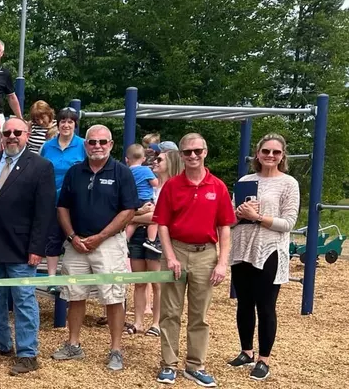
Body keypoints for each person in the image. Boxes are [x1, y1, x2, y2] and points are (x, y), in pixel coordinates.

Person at [0, 117, 55, 376]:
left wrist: (37, 248)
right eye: (7, 132)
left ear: (27, 135)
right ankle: (1, 342)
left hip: (21, 248)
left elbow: (44, 213)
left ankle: (28, 353)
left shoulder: (41, 166)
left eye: (17, 132)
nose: (12, 136)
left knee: (23, 300)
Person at [53, 125, 139, 371]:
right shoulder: (74, 172)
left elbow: (129, 211)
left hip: (109, 244)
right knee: (74, 294)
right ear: (85, 145)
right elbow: (62, 207)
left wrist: (101, 236)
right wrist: (71, 236)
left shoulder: (122, 173)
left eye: (103, 142)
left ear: (111, 145)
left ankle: (115, 350)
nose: (97, 146)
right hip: (76, 243)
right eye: (92, 142)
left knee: (113, 296)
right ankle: (73, 344)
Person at [153, 133, 235, 387]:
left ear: (205, 152)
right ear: (181, 155)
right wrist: (169, 256)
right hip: (176, 249)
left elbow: (224, 227)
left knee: (200, 314)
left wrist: (222, 262)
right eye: (187, 152)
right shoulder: (172, 186)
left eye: (197, 151)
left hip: (206, 253)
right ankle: (168, 364)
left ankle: (195, 365)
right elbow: (163, 224)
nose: (192, 156)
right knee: (170, 312)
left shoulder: (217, 186)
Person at [228, 133, 299, 382]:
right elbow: (230, 219)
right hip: (241, 248)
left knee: (266, 306)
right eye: (266, 151)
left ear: (282, 156)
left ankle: (264, 359)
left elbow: (289, 222)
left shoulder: (289, 183)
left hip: (269, 250)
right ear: (257, 154)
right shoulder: (245, 180)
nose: (270, 156)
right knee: (244, 303)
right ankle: (246, 351)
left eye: (276, 152)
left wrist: (258, 217)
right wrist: (240, 213)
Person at [127, 145, 182, 338]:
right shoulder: (150, 185)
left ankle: (157, 322)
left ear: (171, 164)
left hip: (159, 237)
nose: (155, 162)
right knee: (139, 281)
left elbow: (162, 218)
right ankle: (138, 321)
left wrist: (133, 218)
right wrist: (138, 215)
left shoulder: (175, 187)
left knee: (157, 282)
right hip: (138, 236)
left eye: (160, 160)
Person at [38, 106, 84, 276]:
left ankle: (75, 274)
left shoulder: (83, 145)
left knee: (76, 236)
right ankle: (51, 277)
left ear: (75, 124)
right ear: (57, 124)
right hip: (52, 200)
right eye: (63, 121)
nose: (66, 125)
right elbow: (39, 171)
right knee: (53, 237)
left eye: (70, 121)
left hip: (76, 201)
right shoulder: (47, 146)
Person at [123, 144, 161, 254]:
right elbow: (155, 183)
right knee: (155, 220)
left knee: (133, 223)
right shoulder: (146, 170)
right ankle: (151, 240)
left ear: (126, 159)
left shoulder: (126, 171)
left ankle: (125, 240)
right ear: (143, 159)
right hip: (146, 200)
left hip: (134, 200)